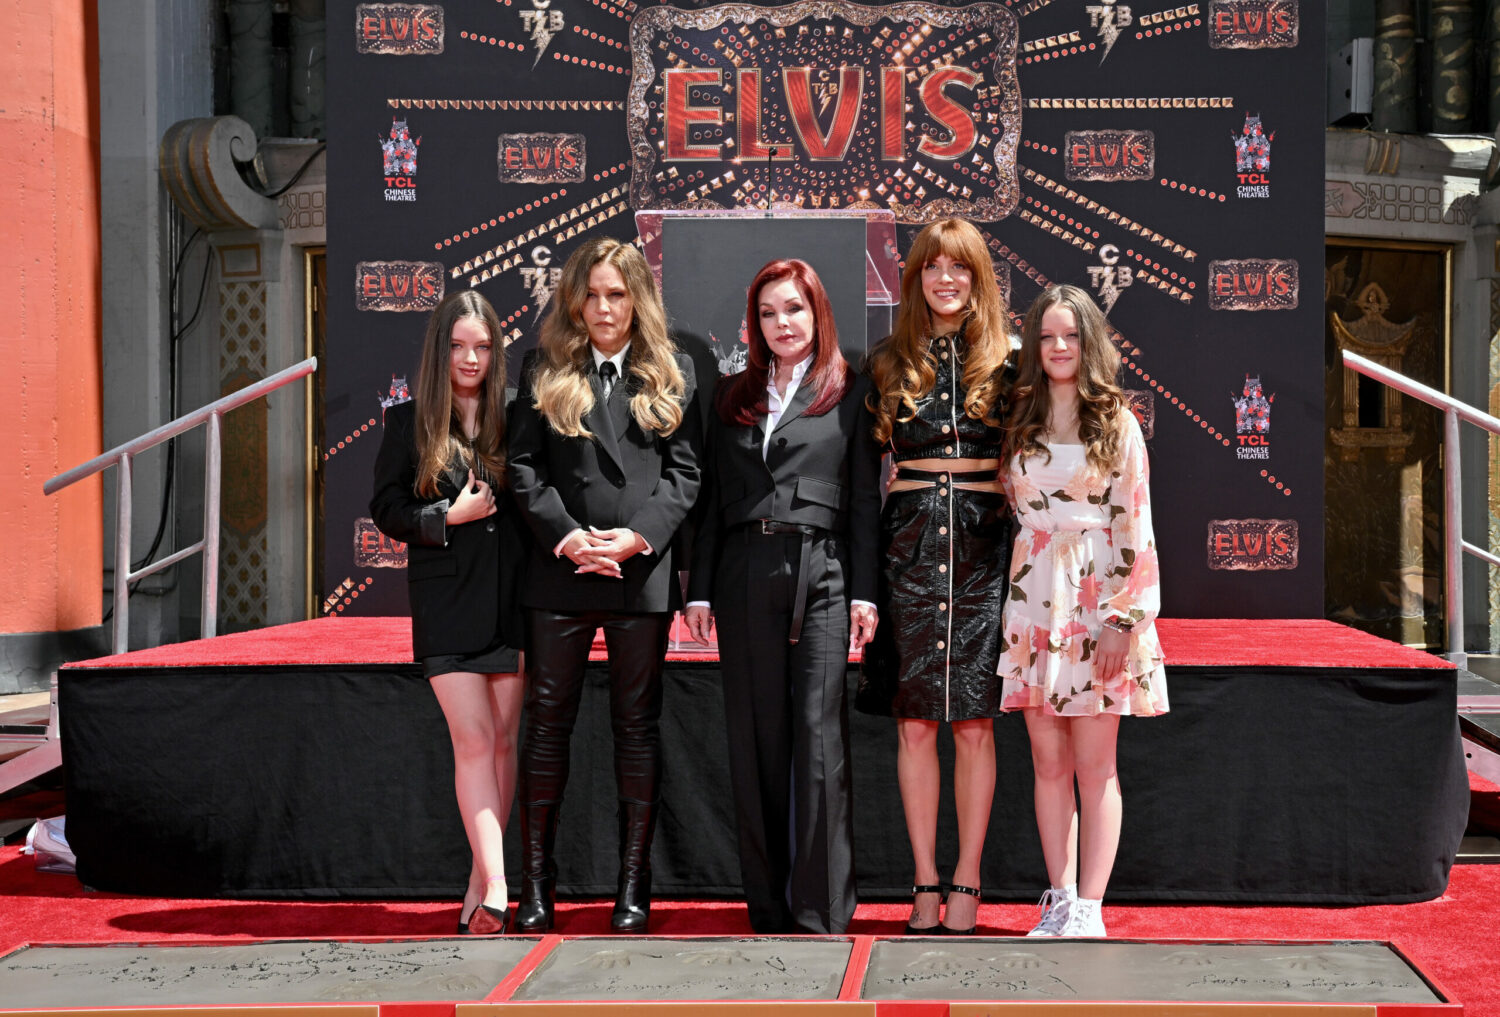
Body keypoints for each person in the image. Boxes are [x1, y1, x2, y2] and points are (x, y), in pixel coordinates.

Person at [507, 236, 701, 934]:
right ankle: (535, 886)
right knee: (547, 727)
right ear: (574, 301)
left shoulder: (672, 371)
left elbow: (686, 474)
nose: (603, 307)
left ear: (637, 299)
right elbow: (522, 468)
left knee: (636, 730)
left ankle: (633, 886)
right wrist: (568, 537)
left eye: (616, 293)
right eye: (591, 294)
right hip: (559, 573)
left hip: (637, 575)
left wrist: (637, 536)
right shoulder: (542, 366)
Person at [683, 259, 881, 934]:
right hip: (742, 571)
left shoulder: (848, 389)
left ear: (816, 312)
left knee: (818, 738)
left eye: (793, 309)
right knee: (755, 739)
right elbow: (709, 501)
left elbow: (863, 502)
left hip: (821, 570)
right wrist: (699, 592)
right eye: (768, 313)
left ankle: (822, 907)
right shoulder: (732, 394)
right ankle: (766, 906)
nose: (782, 324)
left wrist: (865, 593)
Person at [856, 218, 1016, 935]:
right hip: (910, 553)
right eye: (931, 268)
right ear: (913, 278)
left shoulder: (1013, 366)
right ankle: (922, 878)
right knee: (917, 724)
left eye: (959, 267)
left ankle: (968, 880)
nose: (945, 280)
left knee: (976, 725)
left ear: (979, 277)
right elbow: (861, 479)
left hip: (989, 553)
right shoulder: (887, 363)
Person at [999, 284, 1169, 938]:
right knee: (1047, 762)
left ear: (1090, 342)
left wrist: (1126, 618)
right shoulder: (1022, 416)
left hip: (1099, 600)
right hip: (1035, 597)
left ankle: (1092, 907)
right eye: (1047, 336)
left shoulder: (1117, 422)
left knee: (1096, 764)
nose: (1059, 347)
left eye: (1070, 335)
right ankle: (1061, 898)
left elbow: (1137, 521)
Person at [370, 290, 526, 935]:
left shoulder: (519, 419)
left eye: (483, 347)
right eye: (459, 346)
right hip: (445, 607)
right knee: (475, 740)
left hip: (514, 602)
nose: (471, 358)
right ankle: (497, 881)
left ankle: (478, 887)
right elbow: (386, 510)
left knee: (506, 742)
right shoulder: (405, 423)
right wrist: (446, 517)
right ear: (440, 351)